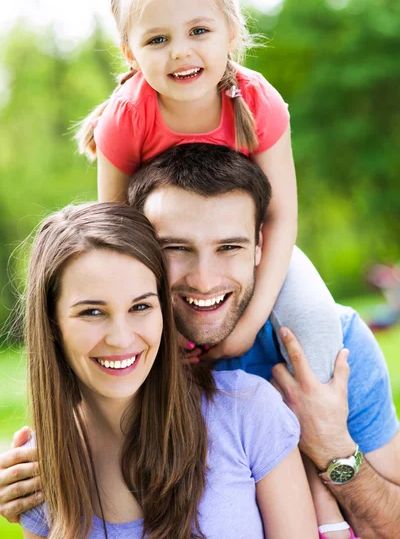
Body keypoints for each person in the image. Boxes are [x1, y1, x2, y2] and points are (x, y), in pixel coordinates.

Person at [1, 145, 398, 536]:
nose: (204, 280)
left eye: (229, 247)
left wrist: (333, 450)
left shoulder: (330, 348)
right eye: (175, 248)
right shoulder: (117, 356)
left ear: (260, 247)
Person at [75, 0, 342, 383]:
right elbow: (119, 233)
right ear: (129, 52)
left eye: (199, 31)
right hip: (165, 259)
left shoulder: (259, 103)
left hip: (245, 248)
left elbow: (280, 217)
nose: (180, 51)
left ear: (231, 31)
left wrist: (249, 325)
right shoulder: (125, 119)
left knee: (314, 315)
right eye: (158, 39)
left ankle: (319, 423)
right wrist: (156, 310)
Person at [14, 201, 318, 539]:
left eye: (141, 306)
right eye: (92, 312)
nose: (121, 338)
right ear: (52, 323)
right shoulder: (39, 470)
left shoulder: (245, 412)